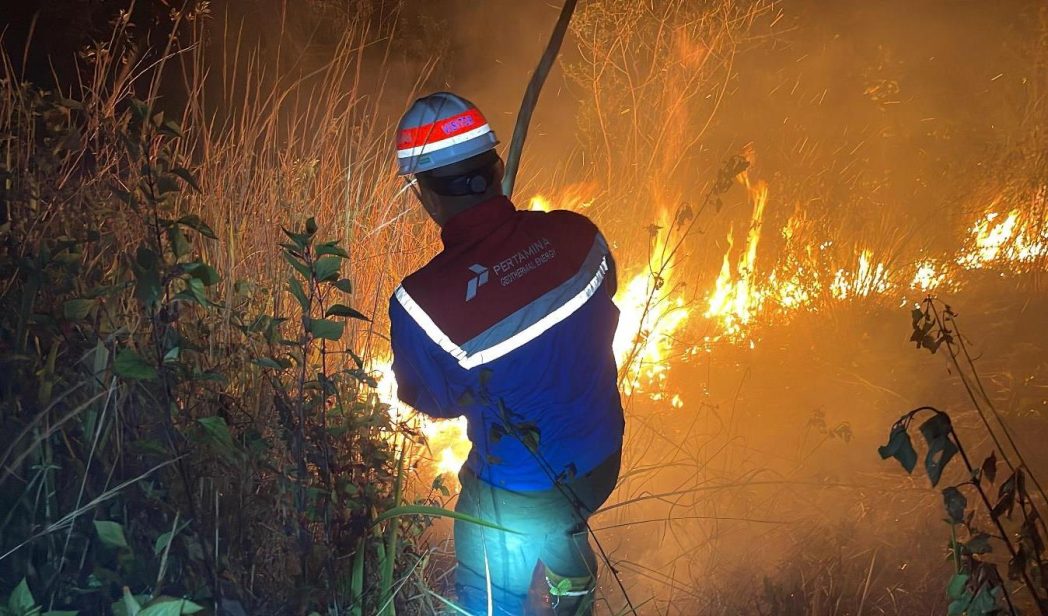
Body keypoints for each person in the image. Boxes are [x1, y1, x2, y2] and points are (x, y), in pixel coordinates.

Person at [388, 91, 624, 615]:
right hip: (601, 464)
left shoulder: (421, 304)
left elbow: (434, 400)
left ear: (424, 195)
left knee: (488, 601)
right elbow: (604, 293)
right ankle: (572, 593)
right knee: (563, 522)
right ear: (497, 167)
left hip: (514, 495)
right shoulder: (578, 234)